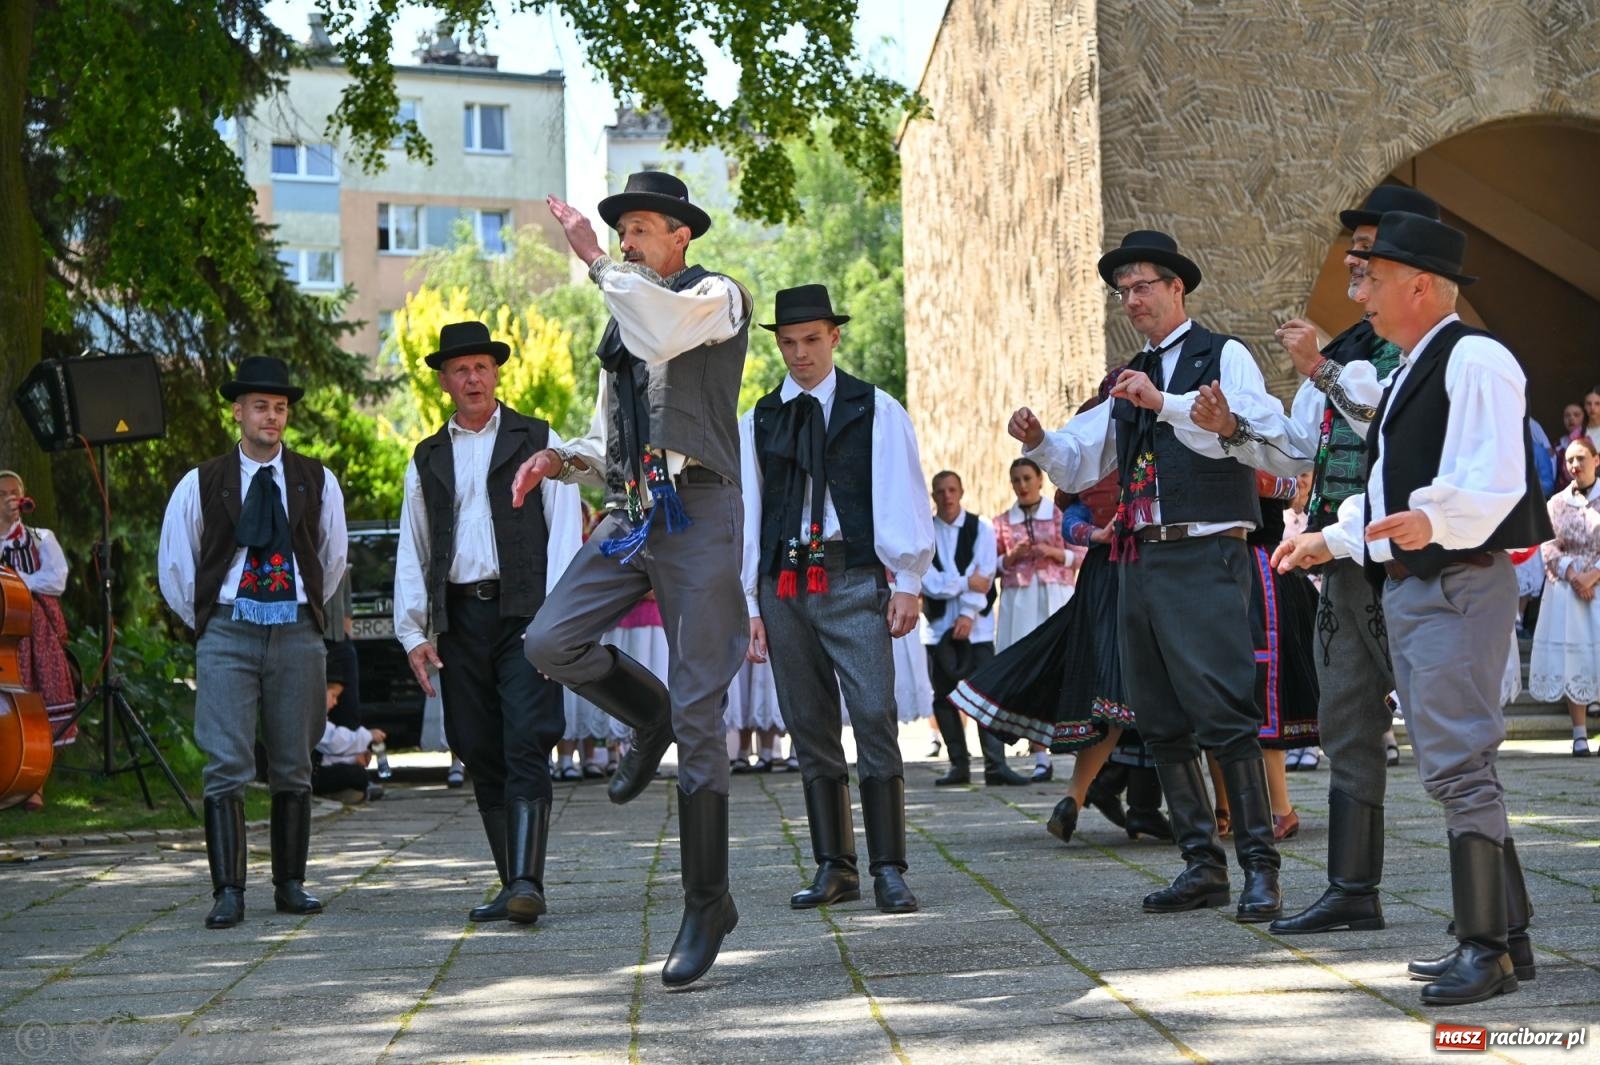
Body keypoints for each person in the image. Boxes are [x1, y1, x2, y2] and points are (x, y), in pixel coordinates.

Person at [1274, 210, 1551, 1006]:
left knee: (1461, 763)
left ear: (1421, 285)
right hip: (1427, 578)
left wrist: (1435, 519)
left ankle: (1486, 947)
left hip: (1458, 575)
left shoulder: (1477, 360)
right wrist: (1330, 538)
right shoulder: (1411, 368)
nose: (1359, 294)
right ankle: (1513, 939)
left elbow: (1493, 478)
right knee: (1453, 761)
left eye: (1375, 278)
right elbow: (1385, 493)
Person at [1008, 230, 1287, 923]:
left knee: (1224, 711)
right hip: (1141, 558)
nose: (1131, 300)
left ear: (1176, 288)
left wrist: (1162, 399)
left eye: (1142, 287)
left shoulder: (1222, 355)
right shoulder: (1132, 373)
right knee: (1159, 720)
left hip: (1205, 551)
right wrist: (1041, 440)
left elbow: (1261, 432)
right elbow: (1083, 457)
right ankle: (1201, 864)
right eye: (1122, 291)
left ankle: (1259, 866)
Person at [515, 171, 750, 988]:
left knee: (703, 704)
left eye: (642, 228)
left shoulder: (716, 296)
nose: (627, 241)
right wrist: (563, 457)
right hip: (632, 507)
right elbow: (623, 424)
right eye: (621, 232)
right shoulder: (630, 308)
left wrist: (590, 260)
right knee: (548, 638)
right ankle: (645, 717)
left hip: (700, 510)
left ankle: (706, 901)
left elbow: (659, 333)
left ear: (681, 236)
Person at [1191, 185, 1435, 936]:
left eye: (1370, 247)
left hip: (1412, 561)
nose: (1356, 261)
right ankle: (1352, 888)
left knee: (1446, 734)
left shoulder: (1431, 347)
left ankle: (1500, 918)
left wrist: (1321, 364)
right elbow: (1299, 449)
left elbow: (1391, 416)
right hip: (1342, 559)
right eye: (1355, 249)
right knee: (1344, 720)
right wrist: (1234, 428)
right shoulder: (1352, 346)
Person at [740, 284, 934, 914]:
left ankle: (890, 869)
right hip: (783, 586)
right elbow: (749, 512)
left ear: (835, 337)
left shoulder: (876, 409)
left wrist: (907, 580)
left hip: (853, 578)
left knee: (875, 713)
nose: (800, 354)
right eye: (789, 343)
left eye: (812, 340)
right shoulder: (759, 418)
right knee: (808, 726)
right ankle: (835, 867)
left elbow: (905, 494)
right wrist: (749, 602)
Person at [394, 320, 582, 925]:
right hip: (458, 619)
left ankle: (529, 881)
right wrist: (414, 633)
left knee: (526, 735)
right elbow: (414, 548)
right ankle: (512, 883)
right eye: (460, 369)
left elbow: (565, 536)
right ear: (444, 381)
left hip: (525, 613)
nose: (472, 377)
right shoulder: (426, 456)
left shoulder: (539, 439)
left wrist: (559, 616)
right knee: (476, 745)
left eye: (482, 366)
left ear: (497, 372)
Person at [158, 357, 347, 929]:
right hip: (227, 629)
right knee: (226, 762)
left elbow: (331, 558)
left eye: (280, 408)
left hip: (294, 628)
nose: (272, 417)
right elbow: (177, 564)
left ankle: (290, 884)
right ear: (238, 411)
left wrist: (297, 609)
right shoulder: (202, 481)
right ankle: (229, 891)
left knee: (295, 763)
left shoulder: (316, 478)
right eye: (261, 407)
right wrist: (215, 617)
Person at [953, 374, 1170, 846]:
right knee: (1144, 688)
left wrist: (1087, 536)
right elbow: (1074, 512)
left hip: (1106, 574)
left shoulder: (1141, 425)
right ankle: (1212, 810)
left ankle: (1086, 794)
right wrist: (1092, 535)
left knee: (1117, 694)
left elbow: (1070, 513)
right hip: (1141, 570)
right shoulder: (1127, 431)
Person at [921, 471, 1027, 786]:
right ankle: (958, 765)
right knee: (943, 697)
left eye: (952, 489)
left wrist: (967, 614)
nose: (947, 496)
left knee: (985, 695)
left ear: (962, 491)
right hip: (938, 628)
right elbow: (928, 581)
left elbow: (986, 573)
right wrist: (965, 581)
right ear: (933, 495)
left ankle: (995, 765)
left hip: (977, 629)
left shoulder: (980, 528)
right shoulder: (924, 532)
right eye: (940, 491)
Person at [992, 457, 1082, 782]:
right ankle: (1039, 753)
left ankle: (1072, 740)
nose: (1022, 485)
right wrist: (1009, 558)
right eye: (1016, 479)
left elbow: (1083, 553)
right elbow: (988, 567)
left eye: (1027, 478)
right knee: (1027, 671)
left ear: (1039, 480)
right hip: (1019, 601)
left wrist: (1057, 554)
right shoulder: (1002, 522)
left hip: (1055, 595)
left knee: (1062, 667)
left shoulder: (1059, 517)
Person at [0, 470, 76, 812]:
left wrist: (17, 582)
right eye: (3, 493)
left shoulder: (40, 537)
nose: (10, 498)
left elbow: (56, 579)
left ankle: (35, 784)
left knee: (37, 703)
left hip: (33, 633)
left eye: (15, 492)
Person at [1528, 437, 1600, 756]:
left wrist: (1593, 574)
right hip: (1569, 591)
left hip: (1597, 585)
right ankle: (1579, 733)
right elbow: (1548, 545)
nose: (1575, 465)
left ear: (1596, 460)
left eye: (1581, 458)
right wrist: (1574, 575)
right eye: (1569, 460)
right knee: (1575, 658)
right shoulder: (1556, 502)